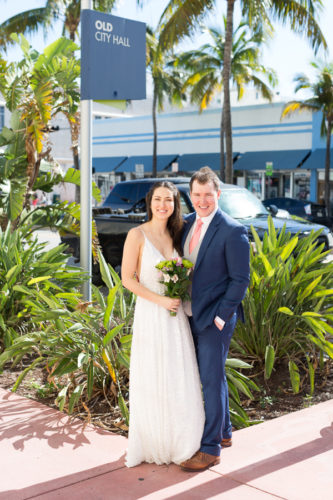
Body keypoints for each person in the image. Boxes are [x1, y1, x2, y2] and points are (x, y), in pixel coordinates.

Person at [121, 181, 205, 468]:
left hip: (175, 318)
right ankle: (154, 442)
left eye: (168, 200)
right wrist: (160, 301)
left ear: (175, 204)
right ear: (150, 202)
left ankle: (181, 439)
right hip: (151, 315)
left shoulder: (175, 235)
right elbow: (127, 279)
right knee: (153, 376)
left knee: (177, 376)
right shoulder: (137, 234)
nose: (163, 205)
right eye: (158, 199)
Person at [180, 167, 250, 472]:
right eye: (197, 194)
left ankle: (210, 450)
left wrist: (222, 317)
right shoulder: (186, 224)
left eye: (208, 194)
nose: (202, 200)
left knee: (210, 379)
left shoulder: (233, 230)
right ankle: (224, 433)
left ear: (217, 194)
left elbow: (240, 279)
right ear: (191, 195)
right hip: (189, 315)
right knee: (212, 377)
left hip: (215, 319)